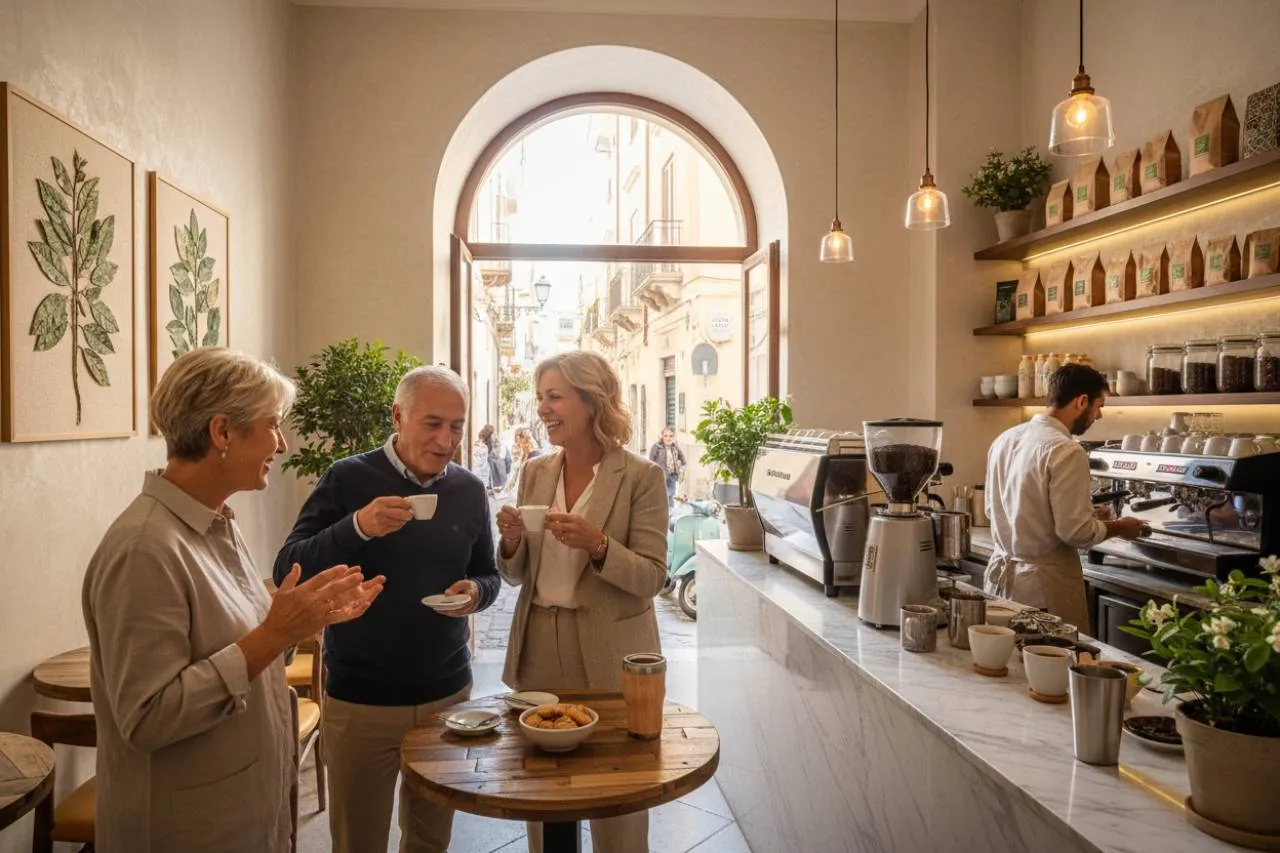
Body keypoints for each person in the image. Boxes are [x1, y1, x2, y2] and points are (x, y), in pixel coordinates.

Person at [83, 348, 384, 853]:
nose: (283, 444)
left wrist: (302, 622)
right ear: (222, 432)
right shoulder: (144, 550)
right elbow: (148, 717)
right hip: (185, 829)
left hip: (243, 815)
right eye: (273, 425)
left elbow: (245, 652)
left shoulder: (216, 524)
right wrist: (275, 633)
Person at [273, 365, 501, 853]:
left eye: (456, 426)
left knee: (430, 839)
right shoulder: (348, 478)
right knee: (358, 841)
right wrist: (357, 526)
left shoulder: (468, 490)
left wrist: (476, 593)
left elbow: (489, 572)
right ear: (398, 416)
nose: (446, 439)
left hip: (446, 695)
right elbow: (287, 566)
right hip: (361, 699)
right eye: (432, 423)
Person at [496, 351, 668, 853]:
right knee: (544, 793)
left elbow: (653, 577)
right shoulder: (534, 472)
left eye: (555, 397)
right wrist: (509, 543)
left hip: (612, 651)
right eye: (540, 397)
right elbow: (514, 574)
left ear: (592, 401)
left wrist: (598, 545)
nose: (543, 408)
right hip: (539, 650)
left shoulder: (641, 476)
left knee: (619, 796)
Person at [983, 363, 1145, 630]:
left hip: (1000, 587)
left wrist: (1086, 516)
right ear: (1082, 401)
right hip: (1042, 593)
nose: (1099, 415)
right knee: (1046, 668)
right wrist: (1120, 527)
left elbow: (1000, 509)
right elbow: (1076, 533)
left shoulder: (1005, 439)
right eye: (1099, 405)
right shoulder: (1067, 450)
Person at [648, 427, 686, 507]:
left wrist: (681, 469)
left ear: (673, 437)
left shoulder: (675, 446)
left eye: (670, 436)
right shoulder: (657, 447)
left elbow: (683, 460)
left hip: (673, 475)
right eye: (666, 436)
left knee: (671, 495)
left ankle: (670, 515)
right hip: (661, 476)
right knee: (664, 495)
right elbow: (650, 462)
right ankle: (663, 514)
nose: (668, 438)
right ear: (662, 437)